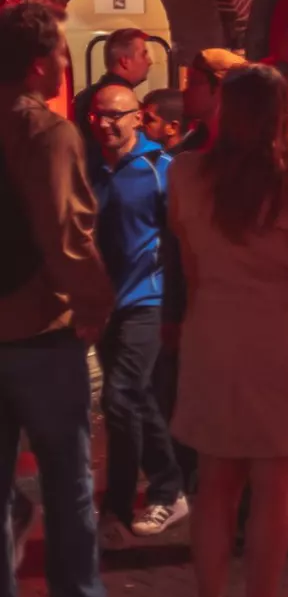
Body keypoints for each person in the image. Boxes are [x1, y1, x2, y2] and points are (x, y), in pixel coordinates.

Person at [168, 62, 288, 597]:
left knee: (215, 482)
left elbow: (188, 258)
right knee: (274, 485)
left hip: (214, 333)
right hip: (281, 341)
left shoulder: (187, 173)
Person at [0, 3, 138, 597]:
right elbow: (65, 235)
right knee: (67, 480)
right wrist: (96, 304)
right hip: (38, 330)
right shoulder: (46, 134)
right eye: (60, 53)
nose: (66, 64)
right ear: (36, 63)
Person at [85, 84, 186, 549]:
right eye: (98, 116)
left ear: (137, 118)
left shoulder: (160, 168)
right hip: (106, 303)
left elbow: (181, 236)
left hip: (149, 298)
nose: (106, 124)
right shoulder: (89, 170)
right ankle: (166, 487)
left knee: (121, 397)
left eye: (115, 116)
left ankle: (128, 503)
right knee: (137, 398)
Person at [70, 27, 152, 133]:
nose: (150, 61)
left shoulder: (82, 98)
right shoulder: (129, 107)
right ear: (125, 61)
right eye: (143, 54)